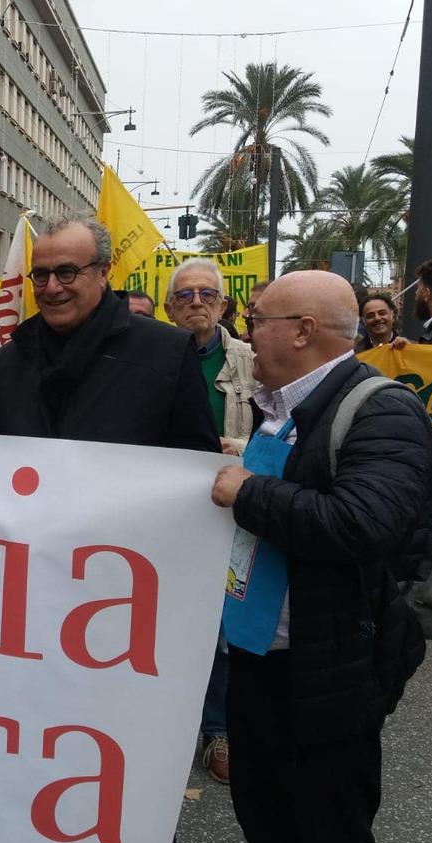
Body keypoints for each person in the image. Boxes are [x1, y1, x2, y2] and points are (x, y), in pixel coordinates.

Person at [0, 215, 219, 843]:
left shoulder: (164, 351)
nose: (52, 287)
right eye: (42, 274)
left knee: (133, 739)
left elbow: (194, 466)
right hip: (37, 588)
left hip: (127, 593)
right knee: (54, 735)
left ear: (102, 275)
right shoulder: (18, 350)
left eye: (67, 273)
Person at [212, 270, 432, 843]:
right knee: (270, 831)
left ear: (303, 331)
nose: (248, 336)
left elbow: (361, 524)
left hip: (326, 674)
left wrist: (249, 491)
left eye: (256, 320)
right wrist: (244, 459)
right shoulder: (282, 410)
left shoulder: (382, 408)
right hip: (259, 662)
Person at [163, 257, 258, 787]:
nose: (195, 302)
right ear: (171, 307)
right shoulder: (151, 356)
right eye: (184, 295)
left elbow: (284, 426)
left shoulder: (251, 359)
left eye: (206, 293)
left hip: (229, 512)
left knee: (221, 626)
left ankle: (217, 729)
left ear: (223, 304)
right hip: (166, 513)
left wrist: (236, 449)